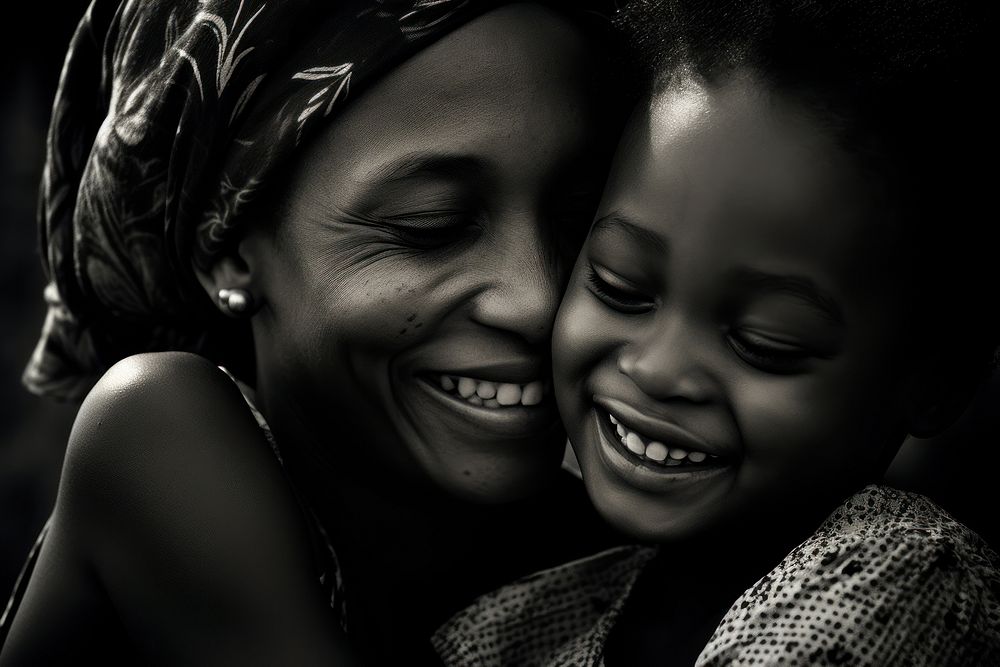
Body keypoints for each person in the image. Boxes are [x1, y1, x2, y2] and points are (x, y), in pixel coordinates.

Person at [0, 0, 624, 663]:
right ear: (232, 249)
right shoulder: (157, 431)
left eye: (581, 221)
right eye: (430, 224)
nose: (539, 298)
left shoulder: (596, 552)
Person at [432, 0, 1000, 664]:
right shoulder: (519, 623)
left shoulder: (897, 573)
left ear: (937, 379)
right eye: (620, 286)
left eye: (765, 341)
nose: (658, 368)